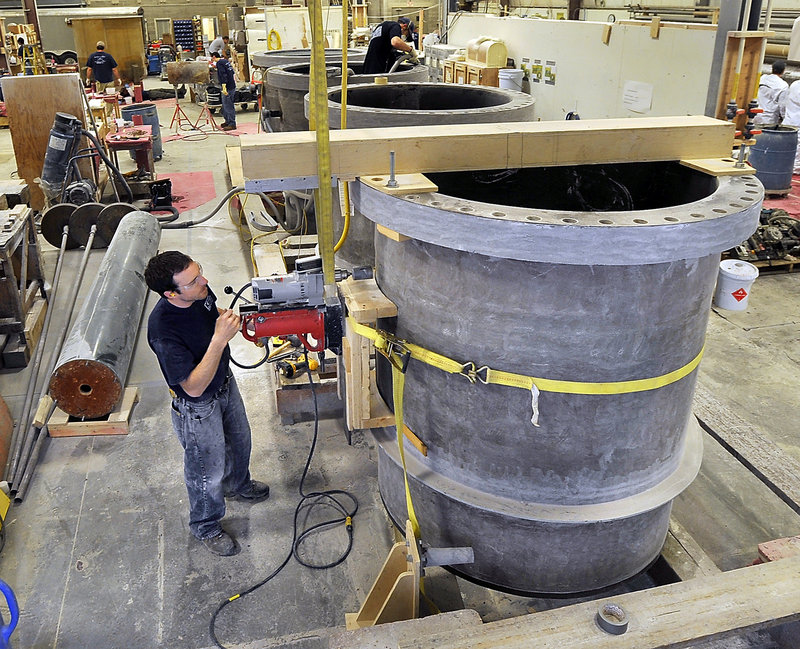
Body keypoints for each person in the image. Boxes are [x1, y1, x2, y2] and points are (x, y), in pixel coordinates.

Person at [144, 252, 270, 556]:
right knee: (205, 470)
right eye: (194, 281)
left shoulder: (198, 293)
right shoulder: (163, 330)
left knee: (241, 442)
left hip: (225, 382)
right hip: (197, 407)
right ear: (171, 293)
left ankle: (237, 484)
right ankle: (206, 525)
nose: (205, 282)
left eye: (199, 272)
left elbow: (213, 312)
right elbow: (194, 386)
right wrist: (219, 339)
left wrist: (230, 322)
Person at [754, 60, 788, 126]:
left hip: (756, 114)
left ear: (772, 69)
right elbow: (782, 105)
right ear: (783, 71)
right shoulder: (783, 85)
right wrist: (784, 118)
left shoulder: (762, 78)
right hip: (769, 119)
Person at [211, 51, 237, 131]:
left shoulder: (219, 63)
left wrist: (224, 86)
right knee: (225, 105)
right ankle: (228, 121)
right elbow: (231, 72)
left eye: (212, 58)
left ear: (214, 57)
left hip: (227, 87)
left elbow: (223, 75)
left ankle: (232, 124)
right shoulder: (225, 61)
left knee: (228, 105)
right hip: (232, 85)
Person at [781, 79, 800, 174]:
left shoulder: (794, 84)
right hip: (796, 121)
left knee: (786, 147)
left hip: (789, 119)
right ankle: (794, 169)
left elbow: (784, 102)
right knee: (796, 149)